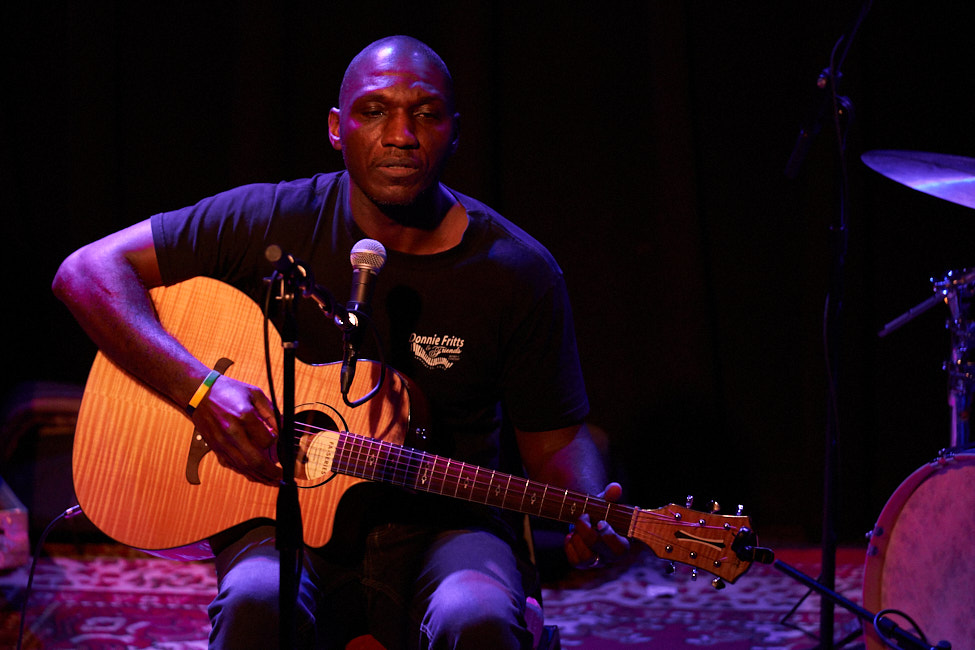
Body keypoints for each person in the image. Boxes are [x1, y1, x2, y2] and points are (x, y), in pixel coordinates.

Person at [53, 35, 628, 649]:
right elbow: (86, 273)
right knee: (256, 602)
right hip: (282, 513)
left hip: (448, 525)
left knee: (476, 616)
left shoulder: (517, 270)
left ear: (455, 132)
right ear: (336, 128)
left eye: (426, 114)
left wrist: (591, 509)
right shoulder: (271, 219)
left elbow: (557, 440)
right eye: (374, 111)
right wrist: (203, 390)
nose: (401, 135)